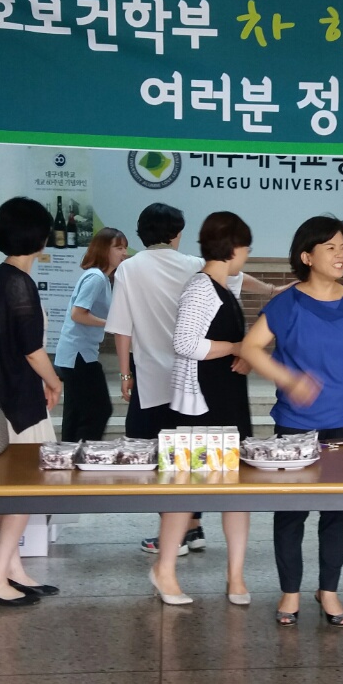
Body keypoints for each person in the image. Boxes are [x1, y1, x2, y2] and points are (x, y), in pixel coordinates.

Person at [105, 202, 279, 556]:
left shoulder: (128, 269)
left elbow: (123, 328)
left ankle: (175, 536)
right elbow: (238, 279)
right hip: (198, 380)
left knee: (167, 463)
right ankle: (193, 527)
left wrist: (125, 373)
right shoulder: (194, 266)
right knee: (191, 459)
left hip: (152, 379)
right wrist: (273, 291)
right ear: (177, 233)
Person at [240, 215, 343, 627]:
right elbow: (251, 347)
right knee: (291, 510)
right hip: (295, 422)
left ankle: (328, 590)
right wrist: (289, 381)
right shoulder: (287, 304)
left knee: (337, 510)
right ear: (306, 256)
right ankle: (290, 591)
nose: (340, 254)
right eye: (330, 247)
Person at [149, 211, 256, 606]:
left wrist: (242, 355)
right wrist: (236, 347)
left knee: (236, 493)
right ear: (233, 247)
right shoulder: (201, 287)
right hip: (200, 405)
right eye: (246, 247)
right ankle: (164, 570)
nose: (247, 254)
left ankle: (236, 576)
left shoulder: (223, 286)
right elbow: (185, 342)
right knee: (185, 489)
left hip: (226, 398)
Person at [0, 196, 66, 607]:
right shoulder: (19, 282)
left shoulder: (1, 276)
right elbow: (32, 349)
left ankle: (12, 569)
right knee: (25, 487)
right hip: (19, 402)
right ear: (39, 237)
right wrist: (55, 381)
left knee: (10, 488)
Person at [55, 226, 128, 442]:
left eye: (124, 248)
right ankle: (85, 453)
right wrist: (110, 324)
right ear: (104, 249)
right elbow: (78, 313)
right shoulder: (96, 278)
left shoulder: (100, 278)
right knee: (99, 410)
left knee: (76, 412)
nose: (124, 253)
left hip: (77, 353)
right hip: (79, 355)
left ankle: (70, 453)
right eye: (119, 248)